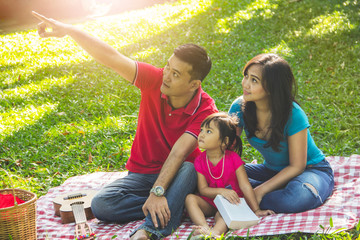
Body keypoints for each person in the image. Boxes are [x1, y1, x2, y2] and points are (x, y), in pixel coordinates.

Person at [32, 11, 218, 239]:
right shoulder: (154, 79)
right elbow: (111, 57)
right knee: (102, 205)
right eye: (167, 67)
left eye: (176, 74)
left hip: (181, 174)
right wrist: (71, 30)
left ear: (193, 84)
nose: (167, 76)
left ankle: (149, 230)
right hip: (142, 174)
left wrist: (159, 191)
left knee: (190, 167)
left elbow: (180, 153)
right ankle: (175, 206)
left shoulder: (206, 109)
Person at [229, 53, 334, 214]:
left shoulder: (293, 114)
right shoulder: (239, 107)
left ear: (272, 87)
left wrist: (260, 190)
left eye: (254, 80)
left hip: (310, 170)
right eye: (246, 76)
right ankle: (248, 196)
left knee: (296, 198)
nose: (246, 84)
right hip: (270, 171)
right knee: (219, 179)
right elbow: (227, 151)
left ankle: (248, 198)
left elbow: (297, 166)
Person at [185, 112, 274, 238]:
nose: (202, 134)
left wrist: (256, 210)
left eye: (209, 131)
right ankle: (203, 227)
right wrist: (221, 191)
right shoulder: (199, 160)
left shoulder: (233, 159)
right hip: (210, 202)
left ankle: (214, 233)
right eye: (201, 130)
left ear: (224, 141)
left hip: (231, 202)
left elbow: (245, 186)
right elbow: (203, 190)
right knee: (190, 199)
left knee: (222, 215)